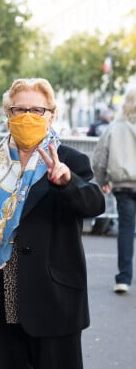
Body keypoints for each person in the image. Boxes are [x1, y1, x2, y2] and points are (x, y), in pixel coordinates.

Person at [0, 78, 105, 369]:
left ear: (51, 115)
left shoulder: (70, 159)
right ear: (8, 114)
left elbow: (95, 204)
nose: (27, 117)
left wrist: (67, 182)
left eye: (37, 110)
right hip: (1, 295)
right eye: (19, 109)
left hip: (53, 297)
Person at [92, 87, 136, 294]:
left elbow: (99, 157)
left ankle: (123, 279)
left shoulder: (115, 127)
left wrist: (102, 180)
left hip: (124, 184)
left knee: (126, 230)